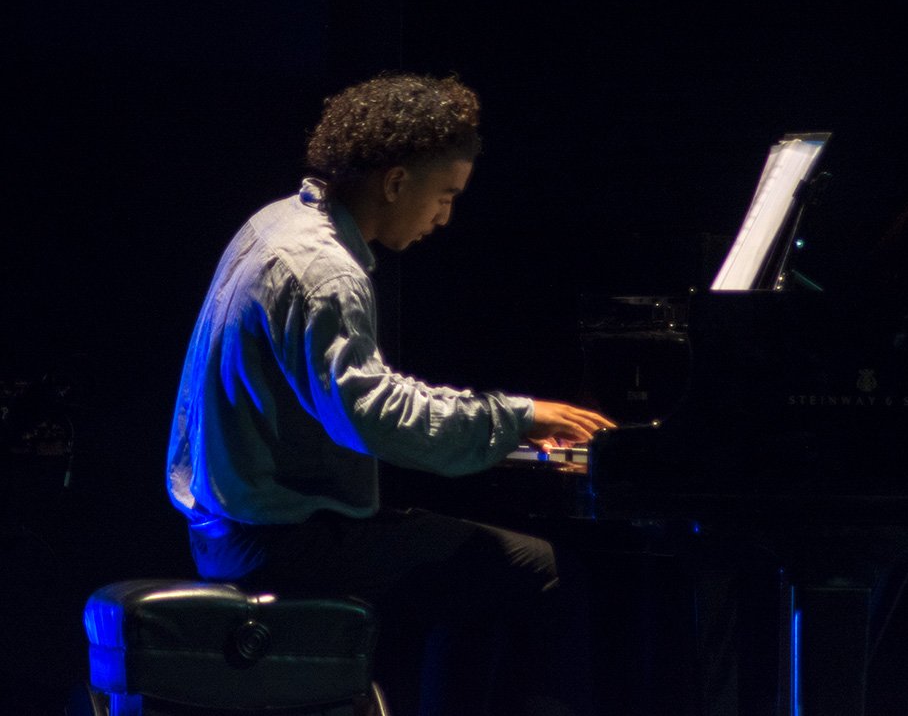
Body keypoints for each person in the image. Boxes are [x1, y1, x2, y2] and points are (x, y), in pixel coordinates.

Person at [166, 72, 614, 716]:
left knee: (474, 570)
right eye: (445, 195)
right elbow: (372, 415)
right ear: (397, 181)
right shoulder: (327, 272)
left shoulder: (277, 222)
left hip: (228, 527)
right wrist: (515, 417)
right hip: (278, 543)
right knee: (536, 568)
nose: (445, 217)